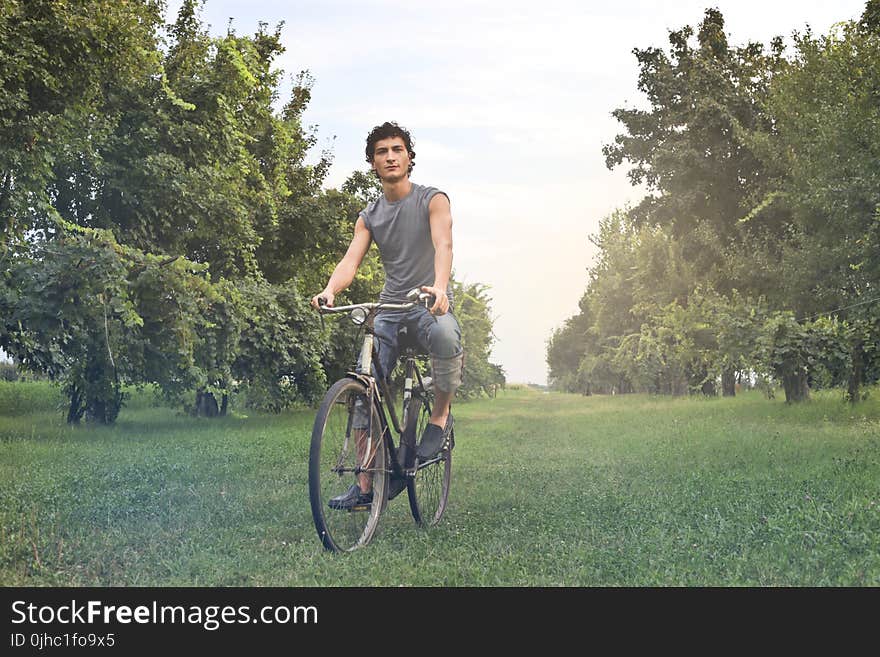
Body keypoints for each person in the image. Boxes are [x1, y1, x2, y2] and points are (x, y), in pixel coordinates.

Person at [311, 121, 463, 511]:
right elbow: (350, 261)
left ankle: (440, 417)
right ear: (373, 163)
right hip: (391, 309)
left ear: (409, 157)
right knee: (364, 388)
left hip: (427, 302)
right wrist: (330, 289)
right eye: (382, 152)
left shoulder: (433, 199)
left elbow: (443, 243)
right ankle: (366, 484)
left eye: (397, 149)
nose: (390, 156)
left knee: (446, 336)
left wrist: (440, 287)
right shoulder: (370, 215)